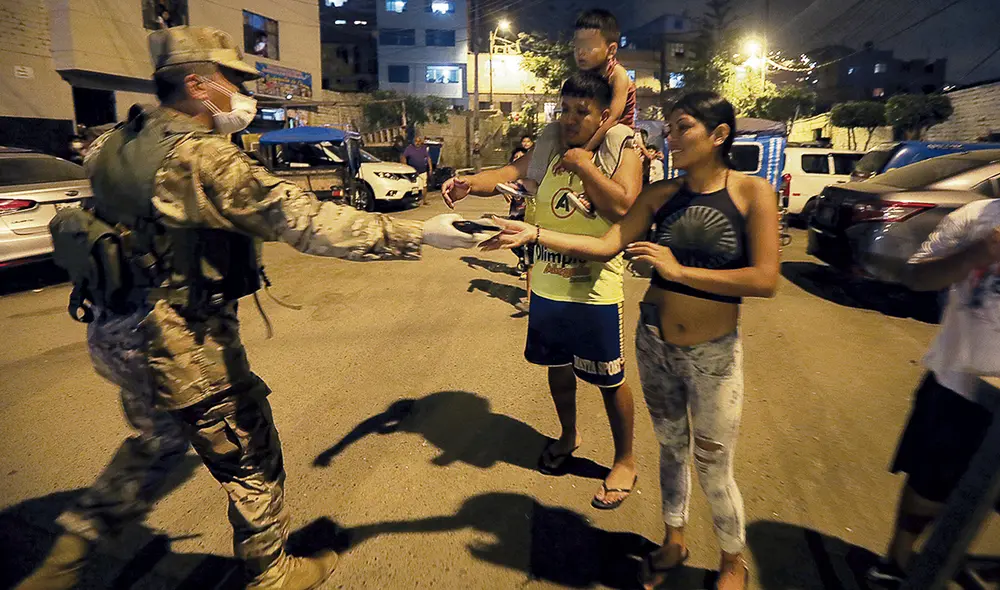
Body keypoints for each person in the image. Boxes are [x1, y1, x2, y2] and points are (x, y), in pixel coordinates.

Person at [16, 25, 489, 590]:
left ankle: (62, 564)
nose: (247, 91)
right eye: (234, 79)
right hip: (180, 340)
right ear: (196, 84)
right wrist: (423, 234)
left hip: (116, 327)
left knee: (157, 442)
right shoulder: (204, 158)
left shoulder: (115, 141)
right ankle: (270, 573)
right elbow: (307, 222)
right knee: (249, 452)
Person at [483, 91, 780, 590]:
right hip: (656, 344)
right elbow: (605, 244)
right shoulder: (661, 195)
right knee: (670, 450)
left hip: (714, 356)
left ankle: (732, 562)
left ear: (719, 135)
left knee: (713, 463)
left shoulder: (753, 194)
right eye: (668, 126)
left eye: (682, 127)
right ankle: (673, 541)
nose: (669, 137)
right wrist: (532, 235)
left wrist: (675, 268)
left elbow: (765, 279)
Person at [443, 71, 643, 510]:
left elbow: (626, 206)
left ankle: (625, 459)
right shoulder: (551, 150)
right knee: (558, 370)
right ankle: (568, 436)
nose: (569, 119)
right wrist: (467, 183)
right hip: (549, 287)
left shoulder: (621, 148)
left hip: (594, 292)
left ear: (603, 115)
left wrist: (586, 167)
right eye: (563, 110)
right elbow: (508, 172)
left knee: (610, 380)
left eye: (581, 111)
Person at [866, 201, 1000, 588]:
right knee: (928, 487)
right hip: (958, 382)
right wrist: (979, 253)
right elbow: (916, 278)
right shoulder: (974, 219)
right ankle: (898, 560)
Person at [524, 9, 636, 191]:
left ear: (611, 50)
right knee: (552, 130)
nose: (581, 53)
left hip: (618, 132)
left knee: (614, 135)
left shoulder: (618, 75)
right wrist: (563, 149)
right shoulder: (584, 77)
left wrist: (584, 151)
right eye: (577, 47)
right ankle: (534, 182)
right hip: (592, 131)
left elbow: (613, 118)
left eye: (589, 47)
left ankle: (599, 191)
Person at [401, 135, 433, 205]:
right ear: (413, 142)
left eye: (419, 141)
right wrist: (405, 167)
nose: (417, 143)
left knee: (424, 185)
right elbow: (403, 157)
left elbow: (428, 158)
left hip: (423, 170)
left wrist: (430, 168)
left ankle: (424, 200)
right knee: (414, 187)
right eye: (416, 141)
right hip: (413, 171)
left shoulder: (424, 148)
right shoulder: (409, 148)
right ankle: (413, 200)